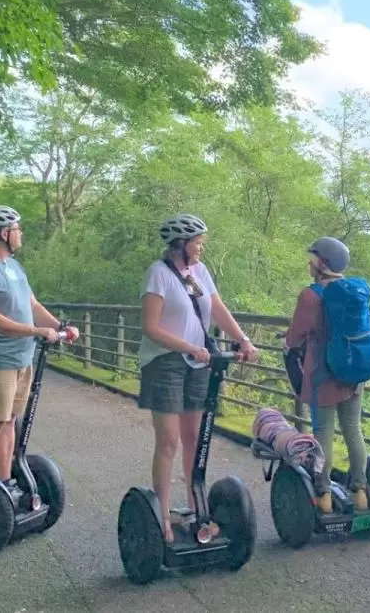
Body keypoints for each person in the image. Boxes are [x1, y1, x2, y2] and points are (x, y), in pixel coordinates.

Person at [138, 213, 259, 542]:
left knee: (195, 437)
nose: (202, 247)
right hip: (165, 362)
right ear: (181, 244)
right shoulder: (158, 274)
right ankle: (161, 516)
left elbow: (218, 310)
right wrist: (188, 347)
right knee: (168, 441)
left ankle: (196, 507)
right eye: (198, 242)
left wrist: (243, 341)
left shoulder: (201, 272)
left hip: (199, 362)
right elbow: (151, 328)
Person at [0, 206, 76, 482]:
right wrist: (34, 330)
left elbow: (31, 304)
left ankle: (4, 483)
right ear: (4, 233)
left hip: (21, 358)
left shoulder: (14, 267)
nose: (21, 234)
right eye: (17, 229)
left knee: (10, 421)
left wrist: (58, 327)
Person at [283, 236, 369, 514]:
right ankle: (360, 493)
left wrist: (290, 343)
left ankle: (324, 496)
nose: (310, 262)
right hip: (354, 371)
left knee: (322, 435)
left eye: (313, 257)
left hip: (323, 374)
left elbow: (294, 337)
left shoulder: (310, 296)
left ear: (323, 263)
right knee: (353, 431)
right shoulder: (354, 292)